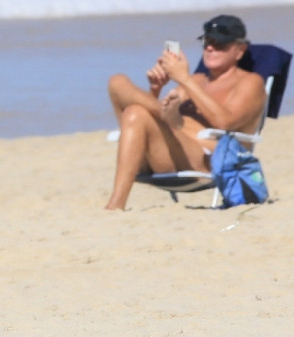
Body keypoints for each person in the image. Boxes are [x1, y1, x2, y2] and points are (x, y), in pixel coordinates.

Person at [105, 14, 267, 210]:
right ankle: (160, 109)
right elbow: (154, 121)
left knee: (135, 112)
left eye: (220, 44)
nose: (210, 48)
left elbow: (225, 122)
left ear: (240, 50)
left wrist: (184, 78)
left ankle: (115, 204)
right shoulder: (197, 80)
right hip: (168, 147)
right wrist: (156, 90)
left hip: (204, 159)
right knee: (118, 82)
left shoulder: (250, 82)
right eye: (207, 42)